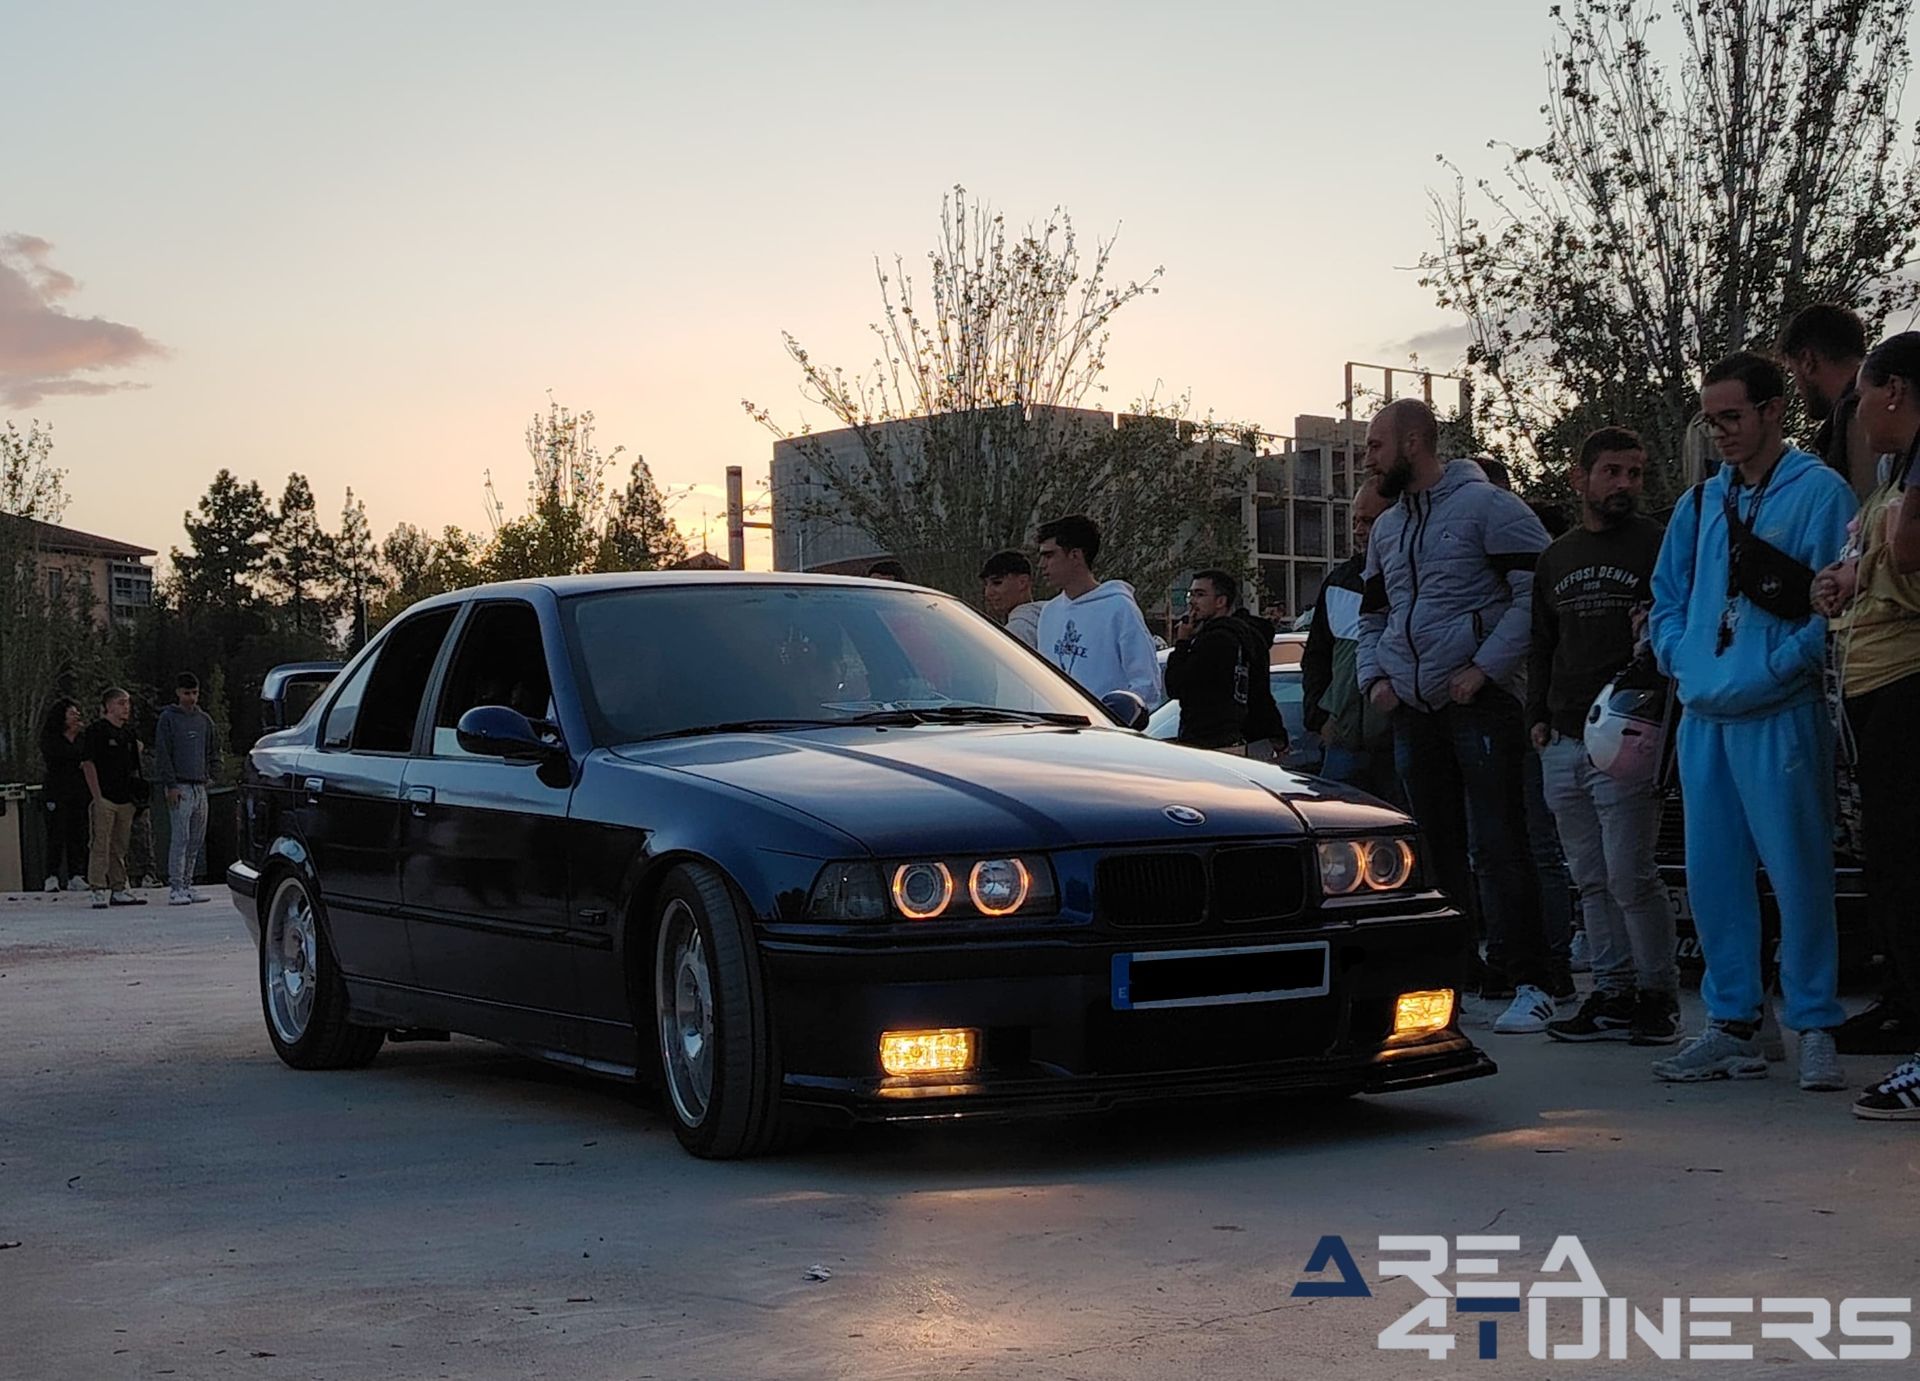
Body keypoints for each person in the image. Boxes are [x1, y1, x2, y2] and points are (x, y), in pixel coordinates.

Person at [1648, 351, 1857, 1090]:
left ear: (1774, 410)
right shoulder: (1700, 503)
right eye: (1713, 420)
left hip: (1779, 712)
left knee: (1799, 873)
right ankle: (1733, 1021)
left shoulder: (1821, 493)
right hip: (1708, 713)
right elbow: (1667, 595)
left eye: (1734, 416)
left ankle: (1813, 1020)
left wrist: (1777, 666)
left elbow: (1839, 600)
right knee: (1714, 876)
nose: (1723, 433)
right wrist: (1682, 656)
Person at [1355, 399, 1555, 1034]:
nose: (1369, 458)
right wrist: (1375, 680)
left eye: (1376, 445)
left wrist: (1485, 669)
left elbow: (1536, 597)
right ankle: (1456, 979)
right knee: (1435, 851)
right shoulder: (1387, 528)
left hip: (1478, 703)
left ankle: (1532, 980)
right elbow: (1373, 613)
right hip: (1413, 706)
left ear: (1415, 442)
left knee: (1499, 843)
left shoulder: (1490, 507)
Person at [1528, 427, 1682, 1046]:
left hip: (1630, 734)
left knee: (1630, 873)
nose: (1625, 485)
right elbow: (1542, 642)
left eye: (1635, 473)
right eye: (1613, 472)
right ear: (1580, 477)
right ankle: (1611, 993)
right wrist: (1535, 717)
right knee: (1589, 876)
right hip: (1562, 737)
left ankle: (1658, 997)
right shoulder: (1555, 556)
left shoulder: (1657, 544)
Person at [1809, 332, 1920, 1116]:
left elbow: (1907, 550)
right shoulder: (1893, 476)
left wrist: (1869, 559)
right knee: (1889, 863)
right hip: (1873, 684)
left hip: (1912, 682)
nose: (1858, 422)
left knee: (1912, 867)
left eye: (1864, 399)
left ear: (1893, 392)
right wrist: (1846, 573)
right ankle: (1906, 1008)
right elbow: (1875, 548)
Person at [1303, 480, 1405, 807]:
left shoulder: (1414, 577)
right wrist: (1319, 719)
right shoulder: (1336, 583)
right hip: (1342, 743)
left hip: (1398, 741)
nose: (1360, 530)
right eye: (1356, 521)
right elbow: (1317, 657)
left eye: (1370, 521)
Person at [1033, 514, 1162, 706]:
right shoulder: (1049, 613)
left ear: (1075, 555)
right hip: (1057, 728)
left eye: (1050, 555)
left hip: (1102, 731)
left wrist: (1117, 718)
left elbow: (1146, 683)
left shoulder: (1119, 608)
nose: (1041, 565)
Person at [1164, 568, 1286, 754]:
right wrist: (1276, 734)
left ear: (1221, 601)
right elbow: (1259, 693)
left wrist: (1182, 643)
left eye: (1200, 594)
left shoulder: (1214, 640)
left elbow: (1176, 686)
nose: (1192, 602)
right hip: (1236, 740)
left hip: (1207, 744)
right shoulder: (1247, 638)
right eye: (1191, 594)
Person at [1782, 303, 1878, 500]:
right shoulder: (1888, 398)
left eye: (1793, 372)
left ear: (1807, 361)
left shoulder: (1860, 412)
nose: (1798, 388)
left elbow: (1866, 511)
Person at [154, 672, 218, 905]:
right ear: (178, 693)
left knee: (196, 838)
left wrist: (212, 774)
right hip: (179, 785)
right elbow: (163, 753)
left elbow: (213, 748)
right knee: (180, 838)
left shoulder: (204, 720)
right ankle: (176, 886)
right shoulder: (168, 719)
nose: (191, 698)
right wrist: (170, 785)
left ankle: (189, 884)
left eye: (194, 693)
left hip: (200, 785)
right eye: (187, 693)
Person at [80, 687, 148, 909]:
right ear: (108, 706)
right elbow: (88, 763)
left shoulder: (129, 733)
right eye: (121, 703)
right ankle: (98, 887)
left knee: (120, 845)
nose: (125, 707)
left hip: (125, 798)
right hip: (105, 797)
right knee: (101, 842)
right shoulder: (96, 731)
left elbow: (135, 767)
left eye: (127, 703)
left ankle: (119, 887)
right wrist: (96, 796)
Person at [38, 698, 90, 892]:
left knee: (78, 833)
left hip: (78, 792)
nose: (76, 716)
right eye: (71, 713)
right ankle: (51, 875)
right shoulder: (51, 738)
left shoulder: (83, 738)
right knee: (55, 834)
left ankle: (76, 874)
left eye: (77, 713)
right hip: (56, 791)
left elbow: (87, 759)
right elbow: (56, 757)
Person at [978, 549, 1046, 649]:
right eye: (986, 585)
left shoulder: (1016, 631)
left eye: (997, 583)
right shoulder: (1052, 619)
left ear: (1022, 582)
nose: (988, 593)